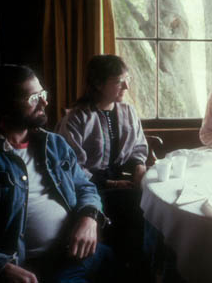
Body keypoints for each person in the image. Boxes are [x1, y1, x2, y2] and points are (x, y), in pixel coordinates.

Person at [0, 65, 114, 283]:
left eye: (43, 94)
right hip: (27, 269)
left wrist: (89, 217)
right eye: (33, 98)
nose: (45, 102)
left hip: (76, 254)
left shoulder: (54, 143)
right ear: (0, 108)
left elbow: (85, 186)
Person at [55, 55, 148, 278]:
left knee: (149, 206)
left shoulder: (127, 111)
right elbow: (72, 167)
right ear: (98, 84)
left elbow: (138, 146)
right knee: (130, 211)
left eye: (128, 79)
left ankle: (139, 266)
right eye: (118, 81)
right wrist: (111, 183)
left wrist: (139, 168)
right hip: (90, 187)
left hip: (124, 180)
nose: (126, 86)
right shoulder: (76, 119)